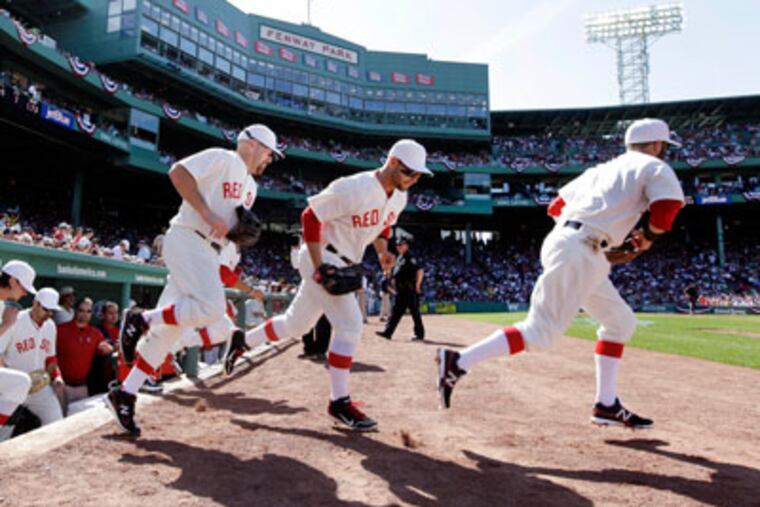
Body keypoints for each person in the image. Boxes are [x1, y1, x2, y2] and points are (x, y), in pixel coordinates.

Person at [437, 118, 685, 429]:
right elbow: (667, 209)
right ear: (656, 145)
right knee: (541, 332)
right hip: (582, 247)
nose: (664, 153)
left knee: (620, 322)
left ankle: (606, 404)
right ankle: (459, 361)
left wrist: (595, 230)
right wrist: (645, 238)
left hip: (576, 245)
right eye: (664, 147)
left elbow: (555, 207)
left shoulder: (600, 170)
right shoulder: (654, 166)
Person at [226, 139, 431, 431]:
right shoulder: (354, 187)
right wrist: (318, 262)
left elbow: (383, 226)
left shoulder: (399, 197)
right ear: (394, 162)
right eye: (411, 173)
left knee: (295, 325)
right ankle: (339, 402)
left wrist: (383, 251)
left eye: (420, 176)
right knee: (350, 326)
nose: (415, 180)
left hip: (347, 260)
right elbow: (310, 216)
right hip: (321, 254)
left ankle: (243, 341)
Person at [107, 124, 282, 436]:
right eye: (269, 152)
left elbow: (228, 225)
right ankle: (140, 318)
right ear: (253, 145)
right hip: (188, 237)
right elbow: (178, 173)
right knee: (214, 309)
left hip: (209, 251)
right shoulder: (224, 158)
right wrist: (205, 212)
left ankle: (125, 392)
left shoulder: (251, 187)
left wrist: (235, 236)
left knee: (167, 334)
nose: (270, 159)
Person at [0, 288, 65, 430]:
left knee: (57, 422)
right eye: (46, 309)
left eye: (52, 310)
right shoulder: (15, 320)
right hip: (13, 386)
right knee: (4, 431)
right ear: (35, 303)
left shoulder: (50, 325)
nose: (49, 314)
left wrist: (57, 377)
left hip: (38, 386)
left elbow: (50, 358)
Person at [0, 260, 36, 441]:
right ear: (13, 281)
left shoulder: (3, 305)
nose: (24, 293)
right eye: (23, 288)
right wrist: (5, 325)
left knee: (20, 383)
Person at [56, 297, 113, 408]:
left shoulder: (95, 333)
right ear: (76, 310)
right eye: (81, 310)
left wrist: (109, 348)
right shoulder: (60, 330)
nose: (85, 314)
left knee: (78, 420)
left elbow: (105, 349)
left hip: (81, 387)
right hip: (61, 385)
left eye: (88, 311)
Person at [376, 237, 425, 341]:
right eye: (397, 245)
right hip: (401, 290)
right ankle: (387, 332)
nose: (398, 247)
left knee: (415, 313)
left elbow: (420, 271)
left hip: (409, 290)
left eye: (401, 245)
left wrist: (417, 285)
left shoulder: (410, 257)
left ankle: (420, 335)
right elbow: (395, 273)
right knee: (396, 312)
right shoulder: (399, 258)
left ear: (406, 246)